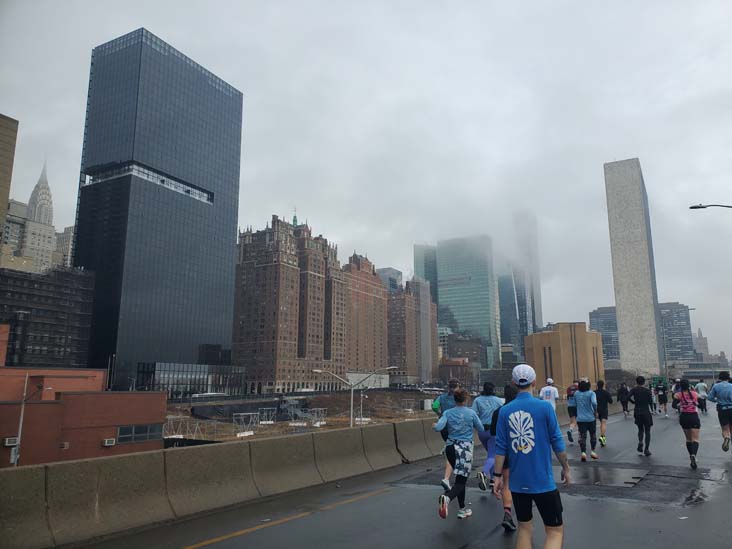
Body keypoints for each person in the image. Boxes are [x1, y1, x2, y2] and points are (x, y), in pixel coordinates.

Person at [493, 364, 571, 549]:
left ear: (513, 383)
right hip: (543, 482)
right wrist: (566, 468)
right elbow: (557, 443)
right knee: (554, 531)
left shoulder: (505, 411)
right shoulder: (545, 408)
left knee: (524, 529)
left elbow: (501, 447)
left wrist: (497, 477)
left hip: (518, 485)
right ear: (534, 382)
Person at [434, 388, 484, 520]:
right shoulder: (471, 413)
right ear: (466, 399)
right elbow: (481, 428)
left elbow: (439, 427)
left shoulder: (447, 412)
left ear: (455, 400)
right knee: (461, 481)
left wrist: (435, 425)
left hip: (450, 447)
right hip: (464, 449)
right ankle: (447, 498)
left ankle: (462, 509)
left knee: (459, 480)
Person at [472, 382, 504, 491]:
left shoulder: (477, 400)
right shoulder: (498, 401)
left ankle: (492, 481)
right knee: (493, 455)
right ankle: (484, 473)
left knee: (490, 455)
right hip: (493, 431)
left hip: (482, 431)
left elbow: (474, 414)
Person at [432, 379, 459, 491]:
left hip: (444, 426)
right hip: (456, 426)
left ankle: (447, 450)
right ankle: (453, 474)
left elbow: (434, 406)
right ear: (457, 387)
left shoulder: (442, 397)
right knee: (457, 450)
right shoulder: (458, 397)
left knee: (450, 447)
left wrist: (440, 414)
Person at [673, 379, 701, 470]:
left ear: (680, 385)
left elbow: (674, 405)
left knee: (688, 439)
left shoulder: (677, 394)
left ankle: (691, 455)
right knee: (695, 439)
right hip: (694, 416)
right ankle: (694, 455)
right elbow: (700, 404)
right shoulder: (695, 394)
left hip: (684, 417)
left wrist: (681, 405)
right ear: (689, 385)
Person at [707, 371, 732, 452]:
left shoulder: (716, 386)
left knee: (725, 429)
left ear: (720, 378)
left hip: (722, 409)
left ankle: (726, 437)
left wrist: (717, 400)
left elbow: (710, 397)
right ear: (728, 377)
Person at [629, 376, 654, 456]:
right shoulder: (647, 391)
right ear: (644, 382)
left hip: (637, 411)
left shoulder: (634, 390)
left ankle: (640, 442)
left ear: (637, 382)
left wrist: (633, 402)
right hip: (646, 411)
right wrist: (652, 410)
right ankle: (646, 449)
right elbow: (651, 402)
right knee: (647, 431)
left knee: (640, 429)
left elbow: (627, 397)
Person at [574, 380, 598, 461]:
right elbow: (594, 403)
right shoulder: (591, 393)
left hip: (580, 419)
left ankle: (583, 453)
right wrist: (595, 412)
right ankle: (593, 451)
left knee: (582, 436)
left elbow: (574, 404)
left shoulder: (576, 393)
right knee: (593, 435)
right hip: (590, 418)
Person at [594, 380, 613, 447]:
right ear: (603, 385)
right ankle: (602, 437)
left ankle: (602, 438)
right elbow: (611, 401)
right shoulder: (606, 392)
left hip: (596, 410)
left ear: (597, 385)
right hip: (604, 410)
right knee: (603, 423)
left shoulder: (594, 393)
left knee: (601, 424)